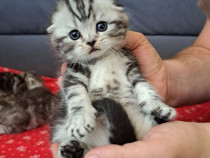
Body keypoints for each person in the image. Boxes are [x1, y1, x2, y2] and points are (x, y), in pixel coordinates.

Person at [52, 0, 210, 157]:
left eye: (101, 27)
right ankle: (80, 146)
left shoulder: (122, 55)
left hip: (130, 123)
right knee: (68, 111)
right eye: (75, 35)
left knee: (142, 121)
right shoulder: (78, 65)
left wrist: (202, 141)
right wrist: (166, 80)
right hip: (93, 129)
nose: (91, 41)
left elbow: (138, 82)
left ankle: (86, 145)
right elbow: (206, 50)